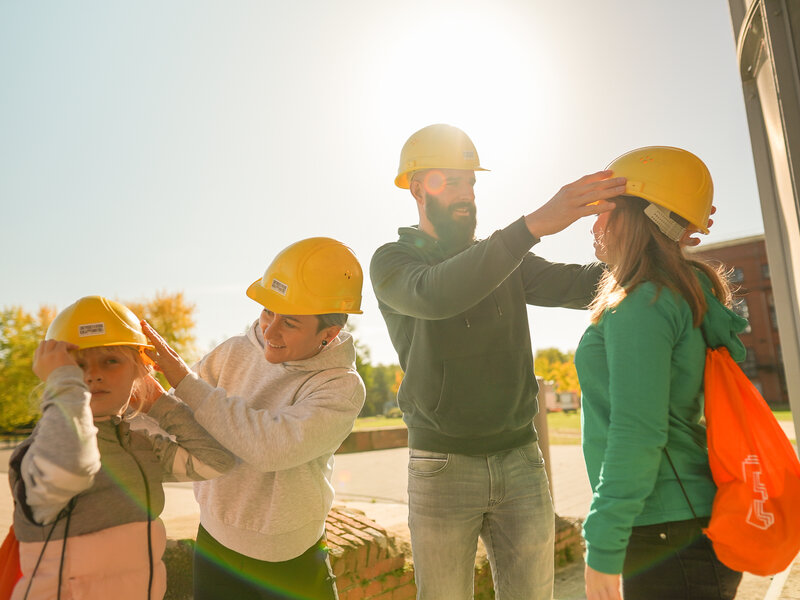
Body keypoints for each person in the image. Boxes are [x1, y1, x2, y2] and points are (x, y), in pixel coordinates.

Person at [369, 123, 626, 599]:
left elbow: (581, 284)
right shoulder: (393, 261)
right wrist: (531, 227)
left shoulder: (504, 258)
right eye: (451, 181)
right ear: (417, 186)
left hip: (520, 461)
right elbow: (436, 295)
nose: (466, 193)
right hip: (440, 466)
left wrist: (659, 246)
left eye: (471, 181)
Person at [142, 237, 366, 600]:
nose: (269, 330)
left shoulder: (340, 386)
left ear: (329, 334)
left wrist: (185, 380)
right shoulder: (231, 352)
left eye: (289, 323)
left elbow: (271, 448)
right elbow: (171, 414)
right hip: (214, 545)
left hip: (292, 561)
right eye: (267, 312)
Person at [575, 146, 745, 600]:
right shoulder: (676, 295)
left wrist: (603, 546)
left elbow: (637, 433)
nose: (594, 225)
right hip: (687, 529)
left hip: (667, 535)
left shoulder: (643, 305)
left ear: (635, 217)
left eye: (603, 212)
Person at [8, 296, 234, 600]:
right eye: (76, 365)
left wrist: (162, 404)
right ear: (55, 376)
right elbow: (71, 467)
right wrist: (65, 388)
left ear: (140, 370)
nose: (92, 374)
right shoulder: (41, 448)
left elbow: (215, 461)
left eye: (110, 360)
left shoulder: (139, 446)